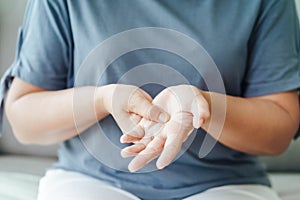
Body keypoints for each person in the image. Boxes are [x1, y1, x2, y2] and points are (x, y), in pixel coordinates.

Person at [0, 0, 299, 199]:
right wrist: (103, 99)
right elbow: (25, 121)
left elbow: (278, 131)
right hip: (91, 180)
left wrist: (204, 105)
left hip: (224, 184)